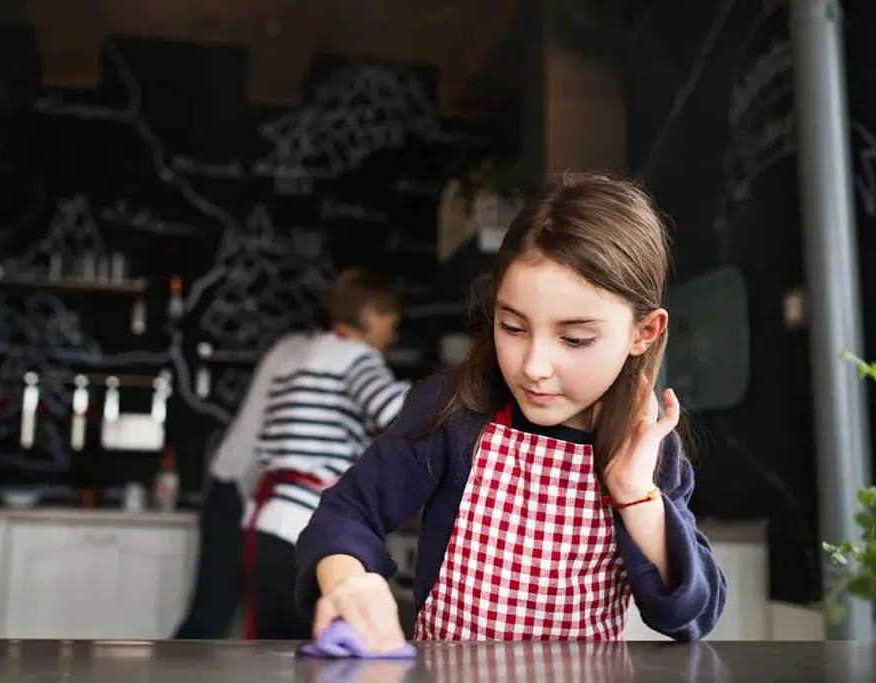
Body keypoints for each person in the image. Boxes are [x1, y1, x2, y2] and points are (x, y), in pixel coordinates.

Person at [294, 172, 728, 648]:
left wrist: (634, 495)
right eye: (513, 327)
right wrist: (348, 582)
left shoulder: (647, 448)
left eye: (574, 338)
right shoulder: (453, 413)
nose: (535, 367)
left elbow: (695, 615)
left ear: (642, 333)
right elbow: (347, 512)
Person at [244, 268, 411, 640]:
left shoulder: (298, 358)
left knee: (273, 652)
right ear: (369, 316)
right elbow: (396, 413)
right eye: (390, 322)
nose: (393, 335)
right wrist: (451, 394)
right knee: (319, 650)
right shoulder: (357, 358)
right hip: (307, 525)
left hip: (266, 521)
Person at [172, 330, 315, 639]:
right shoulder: (306, 355)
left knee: (223, 623)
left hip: (249, 495)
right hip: (243, 493)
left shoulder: (292, 350)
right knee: (212, 622)